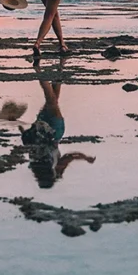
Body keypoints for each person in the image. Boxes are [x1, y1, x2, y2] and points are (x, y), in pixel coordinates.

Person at [19, 59, 96, 188]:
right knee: (53, 101)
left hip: (55, 131)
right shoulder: (35, 162)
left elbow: (69, 157)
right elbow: (32, 142)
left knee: (52, 101)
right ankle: (60, 66)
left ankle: (40, 70)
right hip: (42, 127)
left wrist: (85, 157)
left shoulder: (51, 167)